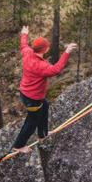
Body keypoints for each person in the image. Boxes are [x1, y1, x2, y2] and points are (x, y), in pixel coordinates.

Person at [12, 26, 77, 154]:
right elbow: (56, 69)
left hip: (27, 93)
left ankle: (43, 134)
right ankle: (19, 145)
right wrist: (67, 52)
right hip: (32, 98)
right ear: (46, 49)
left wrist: (24, 34)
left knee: (45, 106)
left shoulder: (27, 52)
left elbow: (23, 44)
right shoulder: (41, 66)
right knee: (32, 120)